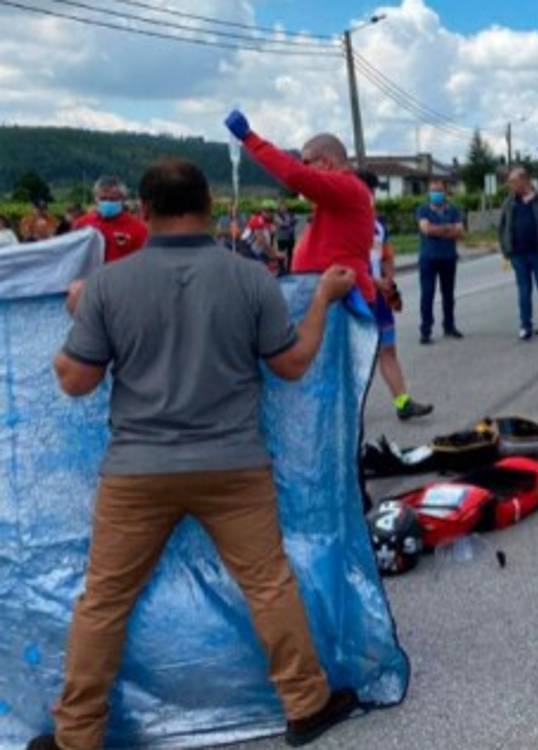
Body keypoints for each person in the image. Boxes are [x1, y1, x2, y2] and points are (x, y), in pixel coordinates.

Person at [30, 159, 358, 750]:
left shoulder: (108, 285)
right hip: (234, 467)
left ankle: (77, 735)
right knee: (268, 584)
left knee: (103, 599)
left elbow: (76, 381)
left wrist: (80, 316)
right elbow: (292, 365)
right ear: (207, 207)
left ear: (143, 211)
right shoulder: (250, 277)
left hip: (137, 472)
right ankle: (306, 704)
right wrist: (323, 301)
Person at [224, 109, 377, 303]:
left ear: (326, 163)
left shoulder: (346, 187)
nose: (303, 168)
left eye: (306, 163)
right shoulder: (340, 195)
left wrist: (249, 138)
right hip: (332, 297)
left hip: (339, 301)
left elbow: (295, 175)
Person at [360, 170, 433, 420]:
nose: (370, 197)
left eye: (372, 192)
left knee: (388, 351)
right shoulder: (345, 224)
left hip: (380, 298)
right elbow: (343, 265)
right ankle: (347, 411)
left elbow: (387, 256)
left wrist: (389, 280)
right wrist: (373, 282)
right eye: (366, 191)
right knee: (353, 358)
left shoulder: (378, 226)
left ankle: (403, 403)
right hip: (355, 298)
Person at [498, 166, 538, 341]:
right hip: (518, 255)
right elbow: (502, 226)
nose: (510, 185)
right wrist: (505, 249)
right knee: (523, 292)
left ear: (524, 180)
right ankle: (525, 326)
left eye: (513, 181)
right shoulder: (509, 201)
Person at [415, 179, 465, 344]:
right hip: (428, 259)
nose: (436, 194)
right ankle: (426, 330)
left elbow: (459, 232)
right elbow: (426, 229)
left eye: (439, 191)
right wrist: (447, 228)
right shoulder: (423, 210)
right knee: (427, 295)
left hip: (448, 257)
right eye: (433, 191)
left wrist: (438, 230)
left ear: (445, 192)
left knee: (448, 295)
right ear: (429, 193)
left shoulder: (454, 210)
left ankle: (449, 326)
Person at [73, 176, 149, 264]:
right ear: (95, 199)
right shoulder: (82, 224)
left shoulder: (138, 229)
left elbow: (143, 259)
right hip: (91, 276)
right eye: (103, 199)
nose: (107, 202)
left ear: (122, 199)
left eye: (112, 199)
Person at [274, 200, 298, 272]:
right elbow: (281, 224)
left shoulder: (290, 214)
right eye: (281, 206)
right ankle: (281, 268)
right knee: (281, 253)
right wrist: (290, 222)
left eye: (284, 206)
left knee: (290, 254)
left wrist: (289, 223)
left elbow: (296, 220)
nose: (283, 208)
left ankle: (289, 268)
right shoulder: (277, 215)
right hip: (282, 237)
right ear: (279, 207)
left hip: (291, 237)